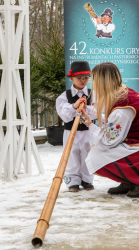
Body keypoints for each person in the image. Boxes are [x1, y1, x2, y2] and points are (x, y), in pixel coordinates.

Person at [80, 62, 139, 198]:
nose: (93, 85)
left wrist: (90, 125)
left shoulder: (123, 108)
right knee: (97, 150)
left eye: (95, 81)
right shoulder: (124, 93)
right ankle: (128, 181)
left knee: (95, 154)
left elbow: (108, 141)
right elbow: (117, 123)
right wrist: (91, 117)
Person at [56, 61, 97, 192]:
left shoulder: (92, 94)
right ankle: (73, 181)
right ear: (71, 78)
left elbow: (97, 111)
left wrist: (86, 109)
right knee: (71, 154)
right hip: (70, 131)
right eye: (79, 78)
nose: (83, 81)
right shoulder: (65, 96)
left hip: (87, 131)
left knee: (88, 154)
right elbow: (63, 113)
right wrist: (74, 106)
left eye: (86, 78)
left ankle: (87, 180)